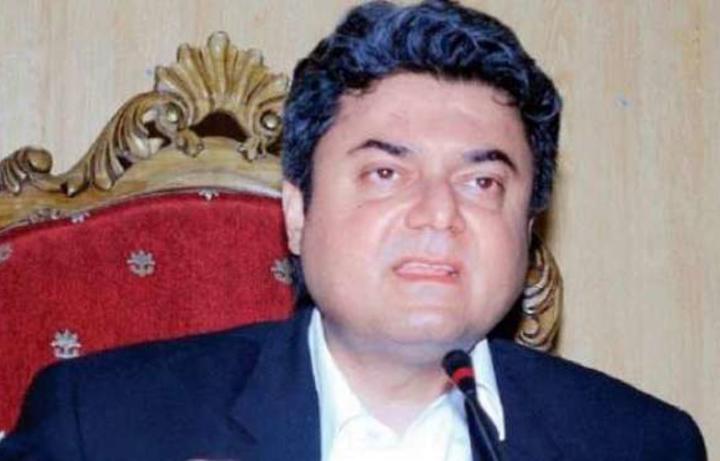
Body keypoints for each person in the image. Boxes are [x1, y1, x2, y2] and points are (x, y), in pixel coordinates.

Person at [0, 1, 706, 460]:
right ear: (298, 212)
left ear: (526, 230)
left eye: (481, 182)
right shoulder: (104, 425)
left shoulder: (643, 443)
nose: (438, 213)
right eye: (385, 173)